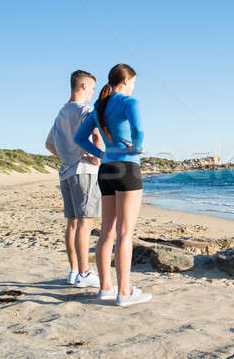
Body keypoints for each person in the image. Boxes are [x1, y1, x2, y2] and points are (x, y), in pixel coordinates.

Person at [74, 63, 153, 306]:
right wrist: (137, 147)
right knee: (125, 233)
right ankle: (124, 292)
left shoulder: (99, 105)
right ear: (127, 81)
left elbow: (79, 138)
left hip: (106, 169)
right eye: (134, 82)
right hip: (127, 167)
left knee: (107, 232)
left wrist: (100, 151)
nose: (134, 87)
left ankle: (106, 288)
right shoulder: (130, 102)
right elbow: (138, 128)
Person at [45, 70, 103, 289]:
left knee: (72, 223)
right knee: (85, 224)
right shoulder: (86, 110)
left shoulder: (61, 114)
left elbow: (49, 144)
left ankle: (73, 271)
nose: (93, 92)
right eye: (93, 88)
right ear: (84, 86)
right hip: (84, 171)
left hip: (66, 172)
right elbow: (96, 136)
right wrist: (96, 157)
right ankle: (84, 273)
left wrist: (66, 156)